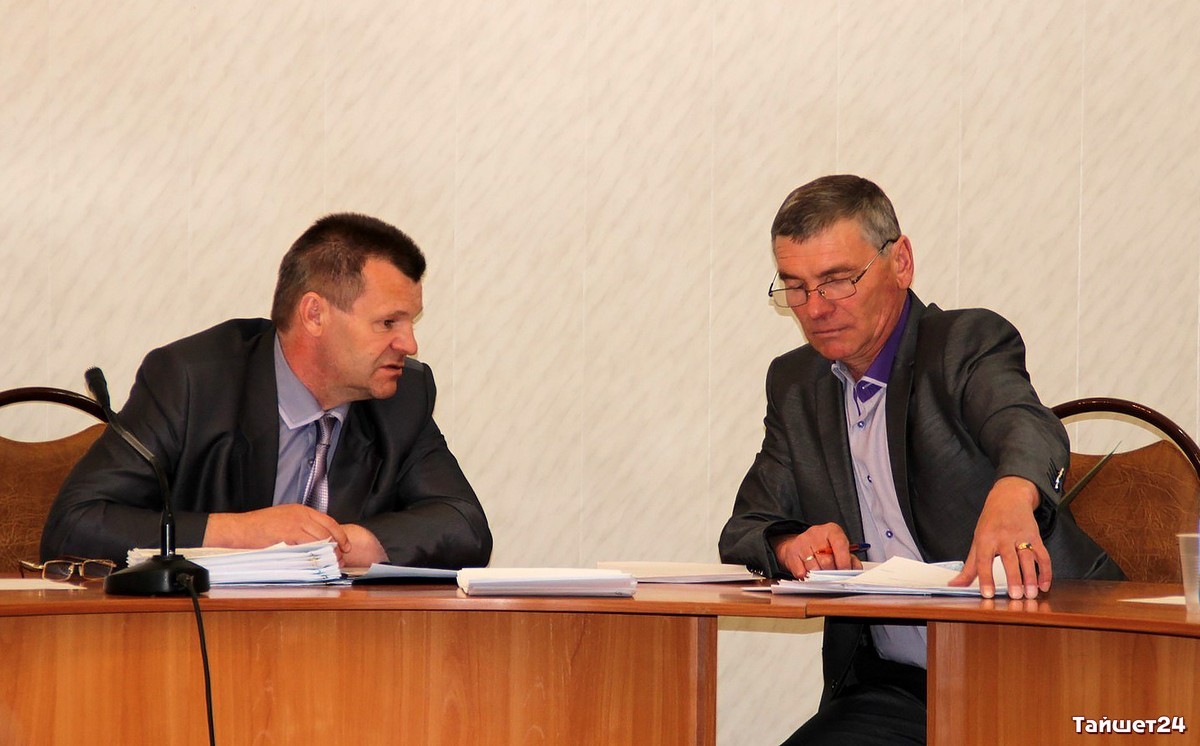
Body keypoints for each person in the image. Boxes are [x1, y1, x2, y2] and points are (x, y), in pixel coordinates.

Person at [718, 175, 1121, 745]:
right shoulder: (797, 384)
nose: (816, 308)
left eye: (837, 281)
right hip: (902, 690)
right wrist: (791, 545)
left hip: (1051, 664)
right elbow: (746, 528)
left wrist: (1014, 492)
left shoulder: (963, 344)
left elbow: (1025, 424)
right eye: (796, 288)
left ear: (900, 262)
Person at [42, 213, 491, 570]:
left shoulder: (402, 397)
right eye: (388, 322)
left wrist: (347, 545)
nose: (409, 344)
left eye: (410, 322)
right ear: (314, 314)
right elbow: (74, 525)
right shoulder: (193, 381)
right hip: (197, 638)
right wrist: (244, 534)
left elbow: (464, 525)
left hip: (339, 639)